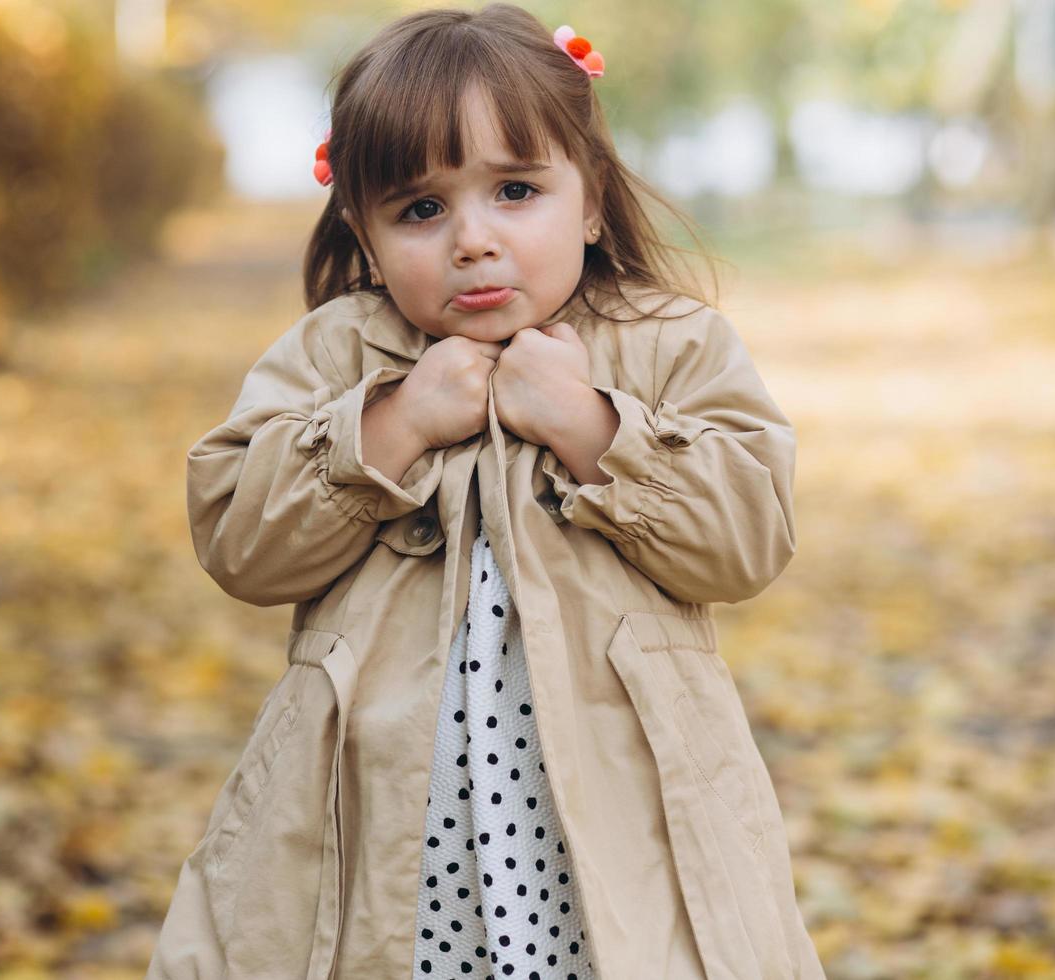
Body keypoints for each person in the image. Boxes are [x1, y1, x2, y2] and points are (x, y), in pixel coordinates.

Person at [147, 4, 827, 978]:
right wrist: (392, 425)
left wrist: (593, 425)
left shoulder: (671, 344)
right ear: (366, 234)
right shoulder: (335, 355)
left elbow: (748, 537)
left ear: (590, 199)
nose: (472, 238)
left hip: (620, 825)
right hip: (393, 834)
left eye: (515, 190)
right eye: (421, 209)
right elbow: (242, 542)